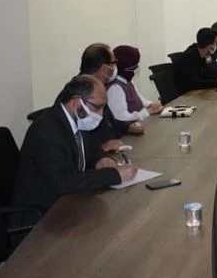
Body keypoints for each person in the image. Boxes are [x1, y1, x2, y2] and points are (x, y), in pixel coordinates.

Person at [13, 75, 137, 218]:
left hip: (68, 202)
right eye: (97, 107)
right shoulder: (46, 130)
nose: (101, 114)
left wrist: (101, 159)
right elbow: (63, 181)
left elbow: (91, 148)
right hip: (42, 214)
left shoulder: (77, 118)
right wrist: (114, 175)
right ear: (77, 102)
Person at [78, 43, 144, 142]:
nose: (115, 67)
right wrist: (101, 148)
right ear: (104, 69)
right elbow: (81, 134)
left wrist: (128, 127)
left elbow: (109, 120)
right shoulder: (81, 92)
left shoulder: (96, 87)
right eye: (114, 63)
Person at [107, 45, 163, 123]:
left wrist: (152, 105)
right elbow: (121, 117)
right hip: (130, 128)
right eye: (133, 67)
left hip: (140, 123)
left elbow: (141, 101)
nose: (135, 70)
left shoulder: (128, 81)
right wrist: (147, 112)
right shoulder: (115, 88)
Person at [173, 28, 217, 95]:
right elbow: (195, 82)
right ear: (210, 46)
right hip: (187, 95)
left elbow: (207, 73)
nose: (216, 45)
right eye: (215, 43)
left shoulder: (201, 55)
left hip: (197, 92)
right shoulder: (189, 57)